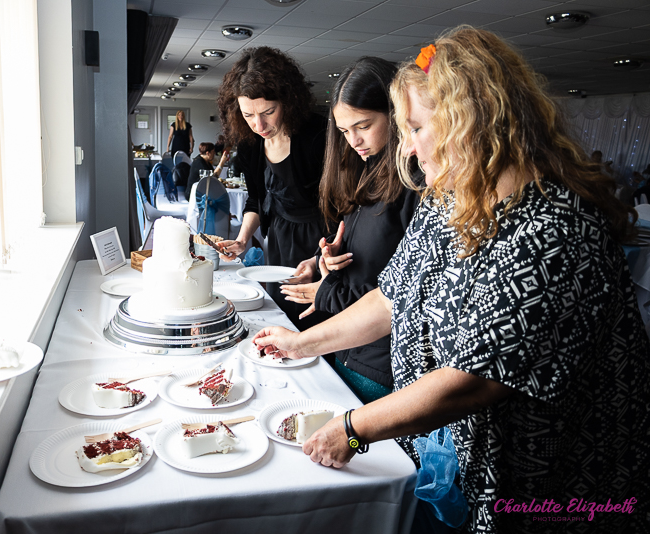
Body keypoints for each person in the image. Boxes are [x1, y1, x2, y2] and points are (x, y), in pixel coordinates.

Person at [252, 27, 648, 533]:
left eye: (417, 128)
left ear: (473, 121)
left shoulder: (556, 227)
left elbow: (473, 380)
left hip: (552, 492)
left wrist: (354, 429)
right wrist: (302, 343)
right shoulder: (451, 201)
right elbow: (392, 297)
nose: (411, 150)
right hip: (467, 464)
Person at [279, 57, 420, 403]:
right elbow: (368, 248)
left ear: (396, 114)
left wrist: (327, 293)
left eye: (363, 125)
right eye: (344, 131)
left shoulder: (416, 183)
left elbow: (403, 294)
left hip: (381, 361)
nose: (354, 141)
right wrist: (323, 258)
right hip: (350, 346)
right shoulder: (367, 167)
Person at [216, 46, 330, 331]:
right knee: (280, 314)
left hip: (319, 240)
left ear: (288, 101)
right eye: (248, 115)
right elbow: (256, 199)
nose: (258, 124)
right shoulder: (249, 142)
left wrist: (321, 258)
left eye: (268, 112)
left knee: (313, 319)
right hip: (278, 238)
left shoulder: (318, 135)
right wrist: (242, 239)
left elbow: (339, 206)